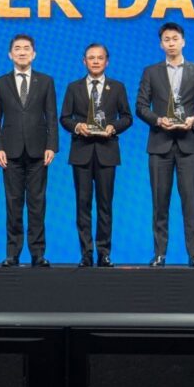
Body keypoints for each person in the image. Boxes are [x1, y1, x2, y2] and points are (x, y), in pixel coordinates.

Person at [136, 22, 194, 267]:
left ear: (183, 41)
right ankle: (159, 253)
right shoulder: (151, 72)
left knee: (191, 202)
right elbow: (141, 106)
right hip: (159, 144)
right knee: (160, 203)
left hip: (188, 145)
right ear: (161, 44)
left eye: (175, 39)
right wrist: (158, 120)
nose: (171, 43)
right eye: (166, 40)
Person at [59, 43, 132, 267]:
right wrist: (77, 126)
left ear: (107, 61)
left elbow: (127, 117)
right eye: (91, 58)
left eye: (100, 58)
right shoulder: (74, 87)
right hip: (81, 152)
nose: (96, 61)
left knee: (105, 205)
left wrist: (113, 127)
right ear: (84, 61)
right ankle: (86, 253)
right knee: (83, 204)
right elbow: (64, 118)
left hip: (107, 152)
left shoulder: (117, 87)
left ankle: (104, 253)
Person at [0, 34, 58, 268]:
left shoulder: (46, 81)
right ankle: (13, 253)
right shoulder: (0, 83)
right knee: (13, 203)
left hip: (39, 152)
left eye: (26, 48)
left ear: (34, 54)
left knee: (37, 204)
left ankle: (38, 254)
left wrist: (52, 146)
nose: (22, 52)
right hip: (10, 153)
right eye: (17, 48)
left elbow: (51, 116)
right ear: (10, 54)